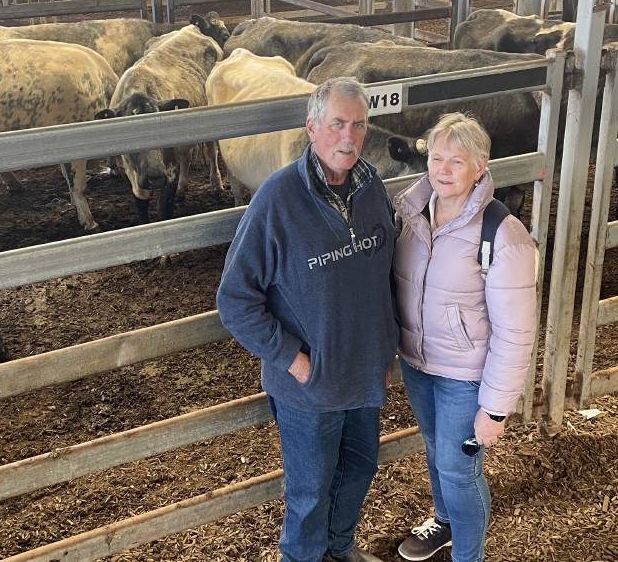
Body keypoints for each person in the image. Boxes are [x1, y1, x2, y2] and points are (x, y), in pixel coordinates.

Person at [216, 77, 398, 562]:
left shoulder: (372, 186)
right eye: (337, 123)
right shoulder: (278, 200)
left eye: (358, 125)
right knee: (310, 492)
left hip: (363, 373)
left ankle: (340, 550)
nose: (349, 137)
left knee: (359, 470)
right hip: (309, 384)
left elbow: (382, 275)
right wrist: (292, 359)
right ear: (312, 127)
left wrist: (385, 348)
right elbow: (235, 300)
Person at [391, 113, 538, 561]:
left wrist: (495, 409)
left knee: (459, 468)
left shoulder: (502, 234)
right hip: (418, 363)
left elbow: (516, 332)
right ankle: (446, 522)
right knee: (437, 451)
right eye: (437, 158)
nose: (444, 169)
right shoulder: (411, 214)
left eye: (457, 160)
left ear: (481, 165)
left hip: (465, 375)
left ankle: (467, 555)